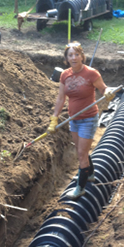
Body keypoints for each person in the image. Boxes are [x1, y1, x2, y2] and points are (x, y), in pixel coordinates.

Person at [49, 41, 107, 199]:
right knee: (81, 151)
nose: (74, 57)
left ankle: (80, 187)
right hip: (73, 119)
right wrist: (54, 118)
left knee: (81, 154)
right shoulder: (65, 75)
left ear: (82, 56)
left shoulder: (91, 73)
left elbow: (103, 89)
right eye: (70, 55)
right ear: (66, 59)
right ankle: (90, 174)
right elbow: (61, 98)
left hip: (88, 119)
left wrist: (108, 93)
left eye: (76, 54)